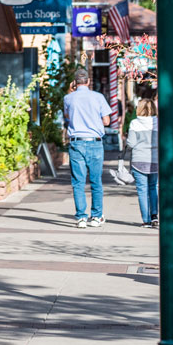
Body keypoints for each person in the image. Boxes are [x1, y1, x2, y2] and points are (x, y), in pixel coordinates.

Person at [63, 67, 115, 228]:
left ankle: (81, 218)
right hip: (94, 141)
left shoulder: (68, 98)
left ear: (75, 83)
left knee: (78, 181)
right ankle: (96, 216)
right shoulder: (98, 97)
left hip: (76, 142)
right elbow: (106, 121)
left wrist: (71, 91)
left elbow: (67, 116)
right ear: (88, 81)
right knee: (96, 181)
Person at [126, 97, 159, 227]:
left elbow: (131, 143)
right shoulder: (158, 123)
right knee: (153, 187)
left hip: (139, 160)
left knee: (142, 190)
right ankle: (154, 216)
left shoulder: (135, 123)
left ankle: (146, 220)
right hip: (155, 159)